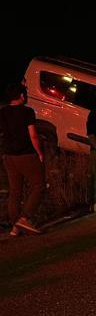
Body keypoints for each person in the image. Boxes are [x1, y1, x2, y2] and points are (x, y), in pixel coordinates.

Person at [0, 83, 45, 235]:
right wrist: (39, 152)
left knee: (15, 191)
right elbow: (33, 135)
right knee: (39, 186)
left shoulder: (3, 112)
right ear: (21, 96)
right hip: (25, 154)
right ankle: (24, 218)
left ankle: (15, 227)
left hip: (8, 156)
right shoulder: (27, 112)